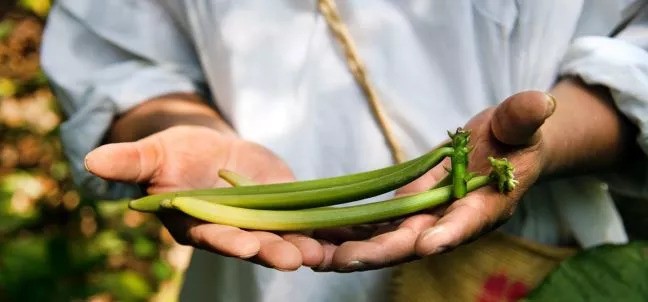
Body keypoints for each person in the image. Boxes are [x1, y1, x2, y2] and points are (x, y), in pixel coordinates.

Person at [41, 0, 648, 301]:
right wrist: (171, 122)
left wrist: (545, 143)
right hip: (253, 268)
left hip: (532, 250)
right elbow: (117, 51)